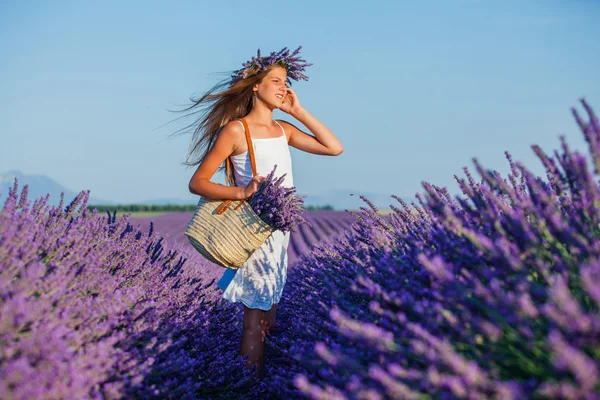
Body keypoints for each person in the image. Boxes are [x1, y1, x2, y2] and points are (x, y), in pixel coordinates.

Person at [182, 46, 343, 379]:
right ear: (255, 85)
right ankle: (247, 388)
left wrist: (298, 112)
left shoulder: (284, 130)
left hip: (279, 235)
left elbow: (334, 147)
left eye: (286, 82)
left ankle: (254, 382)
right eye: (275, 81)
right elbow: (197, 182)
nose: (282, 87)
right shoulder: (236, 131)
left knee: (267, 321)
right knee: (255, 323)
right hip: (254, 233)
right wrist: (241, 191)